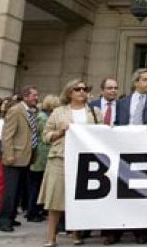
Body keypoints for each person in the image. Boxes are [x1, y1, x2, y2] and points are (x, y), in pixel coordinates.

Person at [105, 68, 147, 245]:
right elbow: (117, 124)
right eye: (145, 79)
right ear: (136, 82)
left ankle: (141, 231)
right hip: (123, 151)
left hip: (145, 151)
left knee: (141, 192)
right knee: (120, 191)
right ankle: (114, 232)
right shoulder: (122, 102)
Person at [39, 79, 101, 247]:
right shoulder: (59, 112)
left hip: (84, 160)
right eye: (78, 89)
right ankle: (51, 236)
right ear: (69, 92)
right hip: (60, 156)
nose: (82, 91)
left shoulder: (94, 112)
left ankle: (76, 233)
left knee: (78, 197)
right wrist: (60, 132)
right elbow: (46, 136)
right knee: (55, 198)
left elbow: (101, 135)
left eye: (85, 89)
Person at [0, 85, 39, 233]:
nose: (36, 98)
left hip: (26, 158)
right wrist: (8, 154)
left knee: (18, 190)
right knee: (11, 190)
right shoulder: (16, 111)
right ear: (26, 96)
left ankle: (12, 216)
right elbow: (7, 135)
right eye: (34, 95)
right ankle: (4, 220)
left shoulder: (30, 112)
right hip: (14, 157)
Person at [27, 94, 59, 223]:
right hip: (41, 155)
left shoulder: (43, 116)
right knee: (36, 185)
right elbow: (42, 136)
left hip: (42, 154)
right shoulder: (43, 118)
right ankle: (32, 211)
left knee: (38, 184)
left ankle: (36, 210)